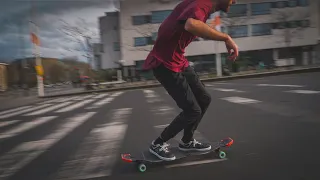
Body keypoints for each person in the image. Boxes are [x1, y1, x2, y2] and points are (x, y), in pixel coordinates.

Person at [142, 0, 239, 161]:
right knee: (192, 110)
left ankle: (187, 141)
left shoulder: (201, 5)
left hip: (178, 60)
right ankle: (158, 144)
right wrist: (226, 38)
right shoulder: (202, 4)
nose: (234, 1)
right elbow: (191, 25)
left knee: (204, 99)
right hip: (165, 64)